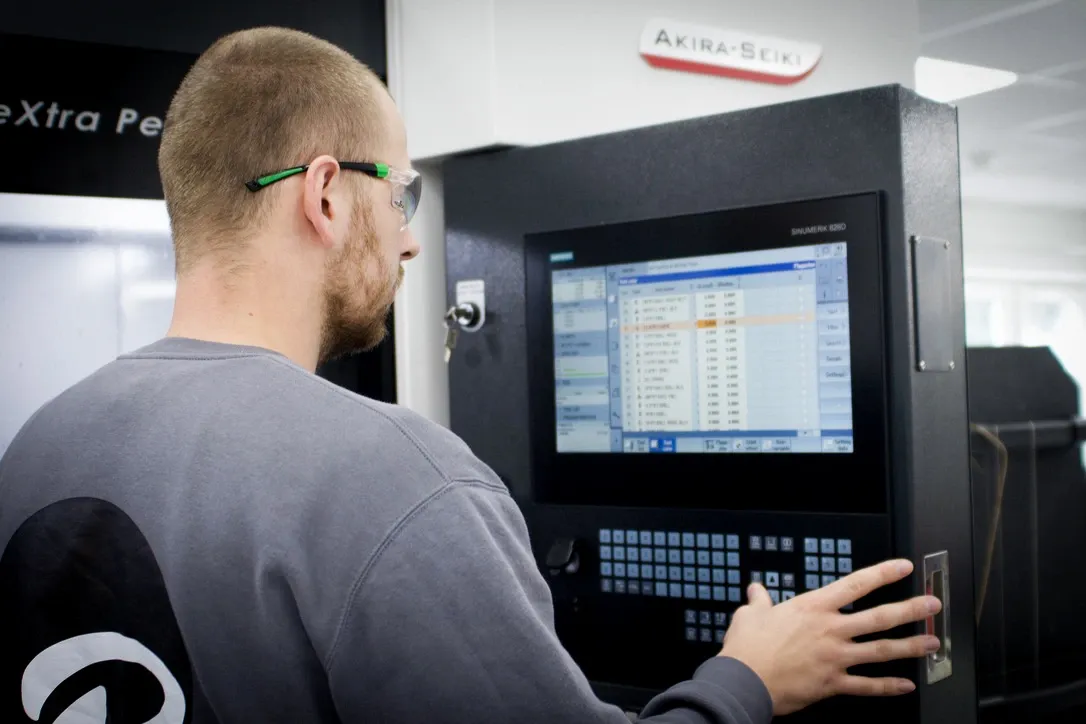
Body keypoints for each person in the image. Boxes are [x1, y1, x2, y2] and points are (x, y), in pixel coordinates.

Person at [0, 27, 941, 724]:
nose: (411, 236)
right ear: (326, 194)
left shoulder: (40, 443)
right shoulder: (389, 475)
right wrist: (748, 681)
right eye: (399, 192)